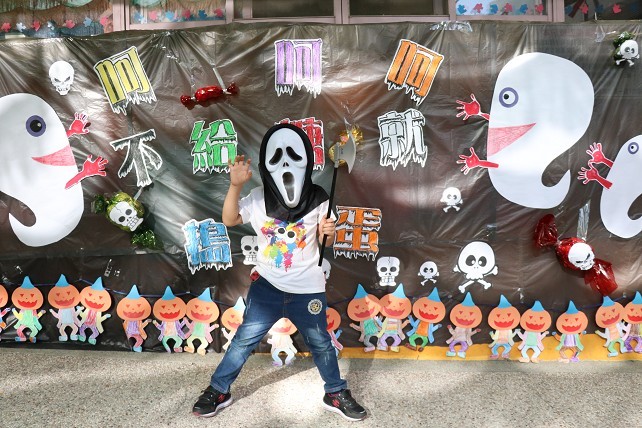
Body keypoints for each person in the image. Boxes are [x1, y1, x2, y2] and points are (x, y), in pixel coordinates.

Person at [192, 123, 367, 421]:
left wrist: (328, 231)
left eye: (293, 155)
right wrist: (235, 186)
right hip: (267, 287)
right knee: (243, 341)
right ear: (265, 164)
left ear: (306, 161)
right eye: (277, 157)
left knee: (321, 344)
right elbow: (230, 219)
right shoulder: (258, 197)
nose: (285, 163)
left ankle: (335, 392)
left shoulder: (319, 198)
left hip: (308, 289)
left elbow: (325, 241)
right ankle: (218, 389)